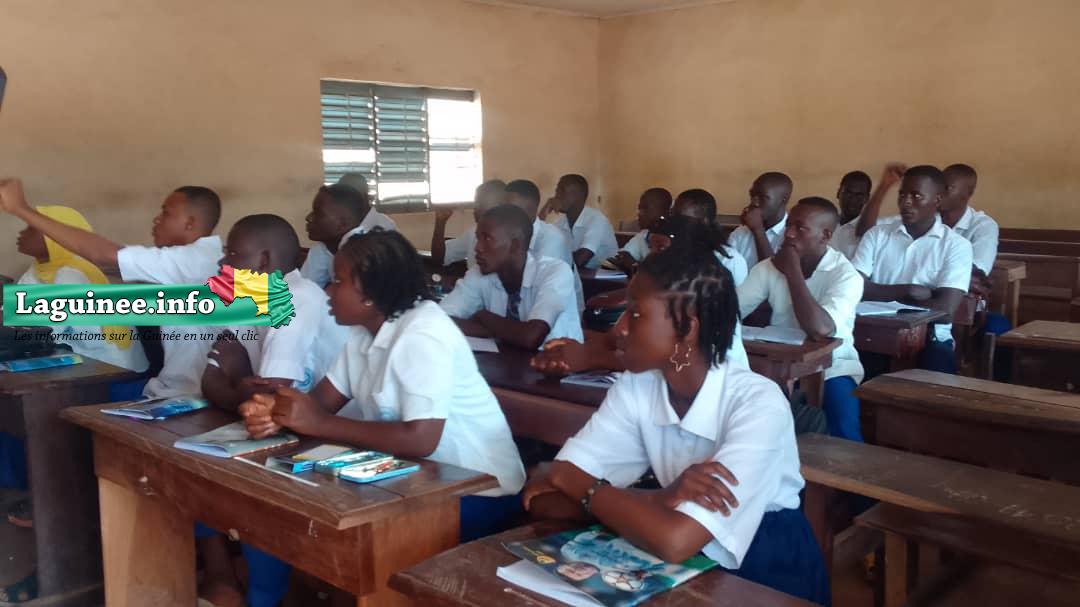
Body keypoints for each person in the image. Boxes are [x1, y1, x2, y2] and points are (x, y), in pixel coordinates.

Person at [523, 241, 830, 606]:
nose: (618, 329)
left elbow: (675, 540)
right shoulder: (638, 385)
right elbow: (547, 499)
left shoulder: (758, 403)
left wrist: (579, 484)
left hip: (763, 568)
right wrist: (660, 498)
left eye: (636, 314)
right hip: (672, 560)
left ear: (687, 329)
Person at [239, 230, 526, 543]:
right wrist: (276, 412)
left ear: (370, 295)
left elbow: (421, 439)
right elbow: (319, 403)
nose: (329, 291)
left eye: (338, 281)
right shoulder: (363, 333)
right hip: (414, 480)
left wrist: (318, 423)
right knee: (281, 508)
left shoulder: (423, 333)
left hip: (479, 492)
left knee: (335, 533)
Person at [196, 214, 347, 607]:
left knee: (255, 494)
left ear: (263, 261)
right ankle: (237, 583)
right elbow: (212, 379)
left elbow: (269, 398)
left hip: (339, 435)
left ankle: (265, 594)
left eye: (233, 254)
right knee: (198, 472)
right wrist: (241, 391)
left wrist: (240, 385)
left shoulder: (296, 298)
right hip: (295, 432)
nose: (223, 263)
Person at [0, 178, 223, 399]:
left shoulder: (193, 260)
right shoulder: (195, 260)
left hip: (183, 395)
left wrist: (21, 208)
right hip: (165, 387)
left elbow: (104, 256)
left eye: (166, 213)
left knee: (47, 403)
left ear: (190, 222)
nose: (157, 219)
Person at [532, 218, 750, 375]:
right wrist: (569, 343)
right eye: (651, 247)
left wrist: (591, 356)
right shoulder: (653, 292)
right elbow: (614, 338)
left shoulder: (703, 296)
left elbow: (676, 361)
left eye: (660, 247)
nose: (651, 255)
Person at [737, 198, 865, 441]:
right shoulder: (769, 268)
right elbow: (732, 310)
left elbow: (820, 330)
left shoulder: (846, 276)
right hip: (776, 362)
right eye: (788, 225)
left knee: (842, 425)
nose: (789, 234)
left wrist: (792, 271)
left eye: (800, 228)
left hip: (833, 367)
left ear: (825, 236)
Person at [852, 165, 973, 374]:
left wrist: (877, 292)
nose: (906, 202)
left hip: (930, 336)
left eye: (916, 196)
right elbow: (853, 287)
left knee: (937, 372)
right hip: (872, 329)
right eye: (902, 195)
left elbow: (945, 310)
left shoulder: (956, 246)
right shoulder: (877, 235)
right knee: (850, 366)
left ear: (937, 200)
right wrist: (908, 291)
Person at [13, 206, 148, 373]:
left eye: (31, 228)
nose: (22, 233)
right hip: (78, 363)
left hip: (112, 371)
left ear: (54, 237)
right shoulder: (39, 269)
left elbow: (39, 330)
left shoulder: (72, 274)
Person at [440, 205, 582, 350]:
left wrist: (484, 317)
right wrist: (497, 331)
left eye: (487, 238)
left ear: (515, 245)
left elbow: (531, 337)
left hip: (561, 362)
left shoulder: (555, 272)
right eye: (478, 238)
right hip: (508, 360)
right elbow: (439, 319)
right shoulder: (479, 273)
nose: (477, 247)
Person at [506, 178, 583, 311]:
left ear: (531, 209)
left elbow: (540, 289)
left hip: (559, 312)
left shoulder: (552, 239)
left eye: (511, 209)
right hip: (525, 308)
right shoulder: (508, 234)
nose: (503, 214)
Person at [300, 183, 397, 288]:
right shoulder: (321, 249)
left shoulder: (368, 254)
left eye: (318, 213)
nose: (308, 218)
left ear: (343, 224)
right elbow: (303, 290)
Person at [671, 188, 748, 285]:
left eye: (680, 218)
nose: (672, 221)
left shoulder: (730, 261)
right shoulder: (669, 251)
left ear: (704, 222)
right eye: (672, 215)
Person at [544, 174, 618, 269]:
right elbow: (541, 249)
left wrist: (553, 259)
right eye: (556, 191)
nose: (556, 197)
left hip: (607, 275)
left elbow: (580, 260)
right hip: (581, 275)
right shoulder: (561, 222)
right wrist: (544, 212)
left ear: (578, 196)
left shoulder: (597, 219)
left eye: (561, 191)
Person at [430, 179, 507, 268]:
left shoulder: (511, 239)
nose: (475, 207)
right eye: (475, 203)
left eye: (480, 203)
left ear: (499, 206)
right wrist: (440, 222)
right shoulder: (472, 233)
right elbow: (439, 258)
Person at [727, 172, 792, 268]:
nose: (754, 202)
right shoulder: (741, 232)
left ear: (783, 200)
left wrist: (758, 230)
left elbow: (772, 273)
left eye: (763, 197)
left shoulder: (791, 235)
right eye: (752, 195)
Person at [608, 188, 672, 274]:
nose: (639, 213)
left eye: (645, 208)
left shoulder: (674, 239)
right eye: (639, 208)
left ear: (665, 211)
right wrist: (625, 259)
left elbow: (665, 274)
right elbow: (623, 255)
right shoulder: (643, 235)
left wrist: (634, 264)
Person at [828, 171, 875, 259]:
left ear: (867, 198)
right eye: (848, 193)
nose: (852, 200)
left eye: (859, 195)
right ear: (838, 193)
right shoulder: (827, 224)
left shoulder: (870, 231)